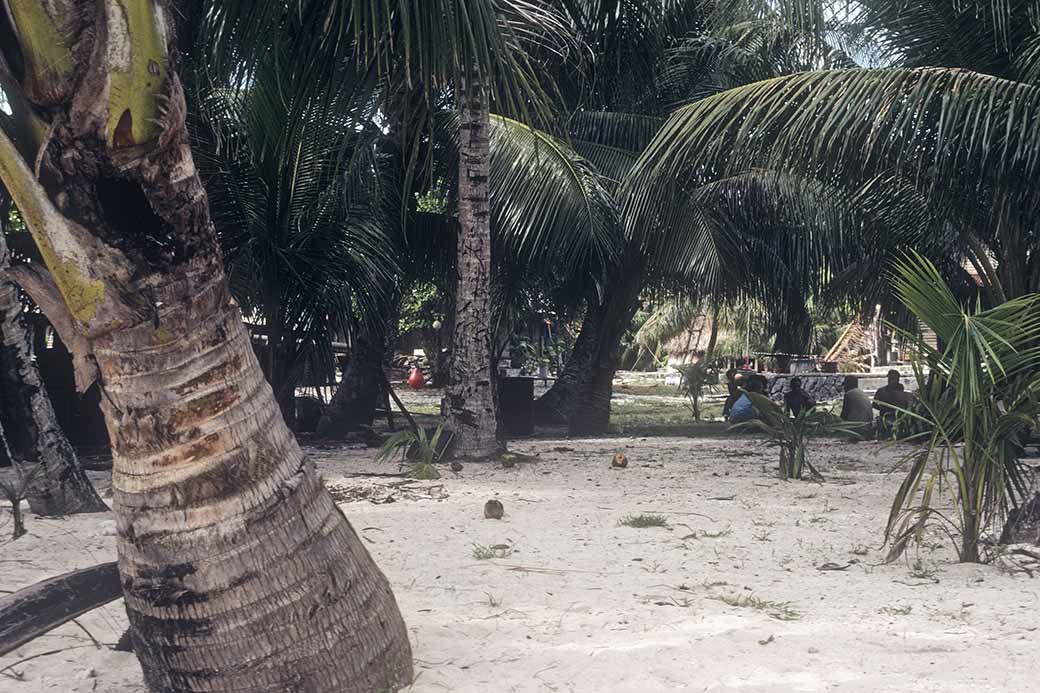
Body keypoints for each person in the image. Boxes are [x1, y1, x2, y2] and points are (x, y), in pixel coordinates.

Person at [873, 369, 910, 436]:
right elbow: (874, 405)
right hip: (894, 420)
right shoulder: (882, 391)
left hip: (891, 419)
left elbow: (874, 405)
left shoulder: (882, 391)